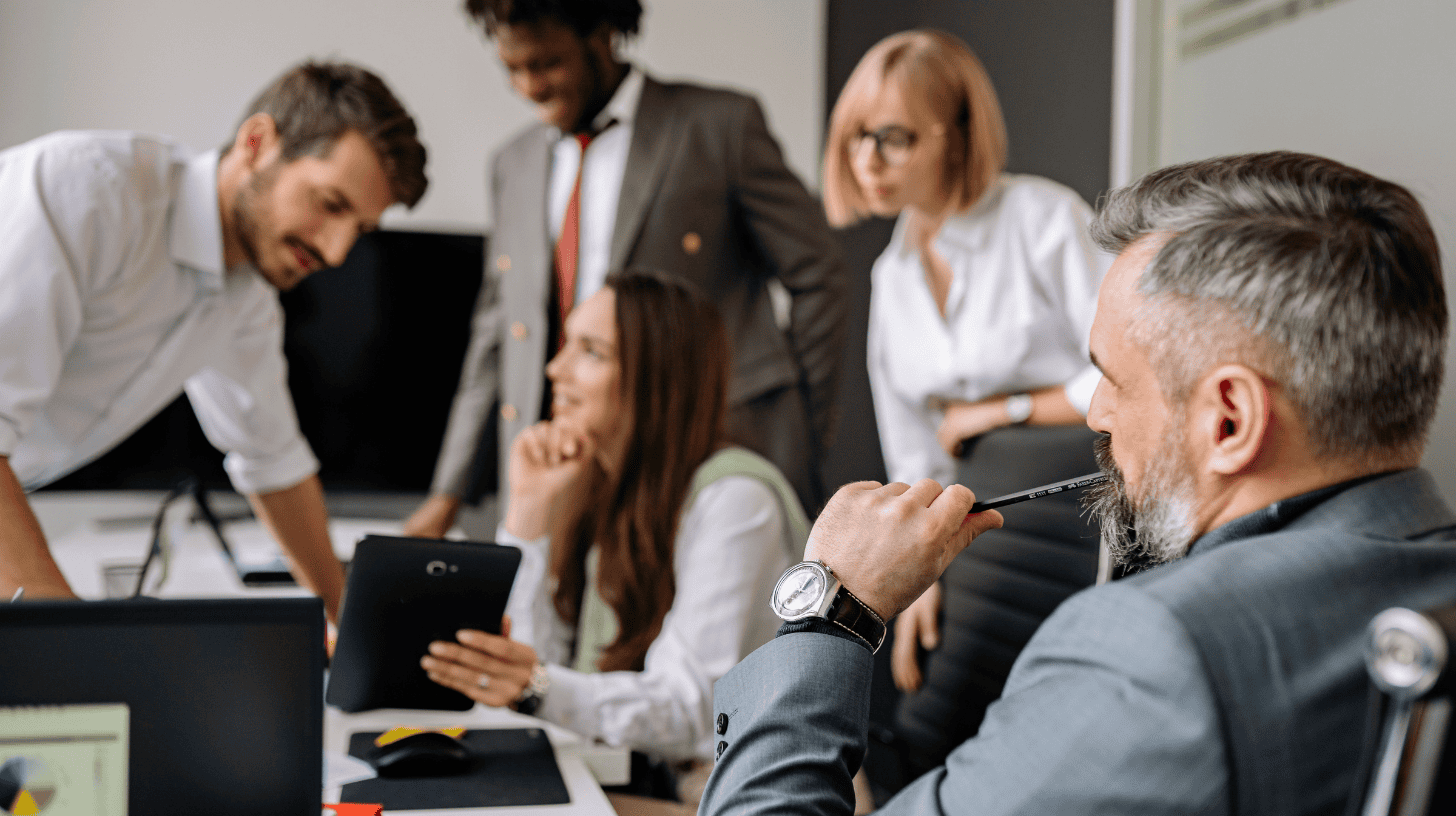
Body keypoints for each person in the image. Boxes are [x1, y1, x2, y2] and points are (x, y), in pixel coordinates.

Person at [697, 151, 1456, 815]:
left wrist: (829, 613)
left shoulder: (1153, 654)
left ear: (1229, 420)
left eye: (1111, 379)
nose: (1095, 413)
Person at [0, 61, 429, 622]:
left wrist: (344, 619)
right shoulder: (88, 191)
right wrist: (73, 640)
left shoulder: (246, 299)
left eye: (361, 230)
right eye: (330, 204)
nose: (337, 253)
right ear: (258, 143)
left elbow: (274, 463)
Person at [402, 0, 848, 539]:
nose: (528, 87)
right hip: (566, 463)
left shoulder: (718, 126)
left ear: (602, 36)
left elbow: (818, 272)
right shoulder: (511, 164)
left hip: (702, 454)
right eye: (512, 69)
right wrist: (445, 494)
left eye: (546, 64)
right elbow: (494, 335)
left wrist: (798, 424)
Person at [821, 29, 1109, 776]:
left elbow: (1126, 375)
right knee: (931, 728)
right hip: (971, 525)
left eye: (893, 138)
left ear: (955, 136)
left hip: (1073, 511)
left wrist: (1002, 411)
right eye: (856, 139)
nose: (867, 161)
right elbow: (911, 448)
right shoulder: (894, 273)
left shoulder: (1044, 219)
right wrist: (920, 581)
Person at [419, 270, 804, 774]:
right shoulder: (595, 483)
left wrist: (534, 687)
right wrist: (527, 513)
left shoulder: (735, 502)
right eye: (565, 345)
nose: (556, 368)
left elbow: (691, 710)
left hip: (723, 791)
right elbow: (537, 660)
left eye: (591, 352)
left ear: (658, 379)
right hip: (627, 773)